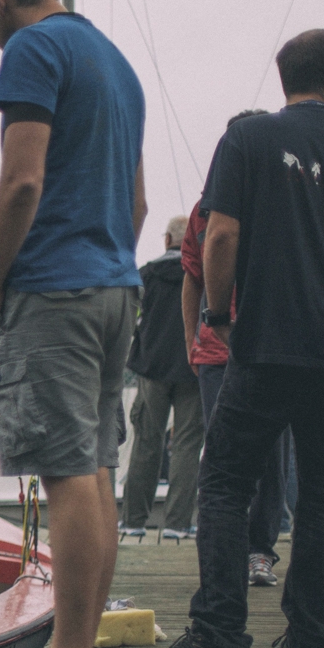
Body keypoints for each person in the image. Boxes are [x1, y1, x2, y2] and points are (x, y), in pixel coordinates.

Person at [141, 29, 324, 648]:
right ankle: (312, 637)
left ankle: (220, 632)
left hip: (264, 345)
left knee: (227, 481)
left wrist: (216, 314)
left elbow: (222, 234)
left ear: (286, 78)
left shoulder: (248, 141)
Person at [0, 0, 146, 648]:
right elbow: (136, 204)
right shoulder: (114, 60)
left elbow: (22, 178)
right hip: (113, 285)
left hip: (52, 288)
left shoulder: (35, 48)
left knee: (66, 470)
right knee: (94, 466)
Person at [181, 109, 295, 588]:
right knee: (222, 455)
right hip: (214, 354)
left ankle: (260, 550)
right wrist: (192, 337)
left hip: (271, 349)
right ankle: (224, 553)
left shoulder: (284, 199)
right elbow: (191, 278)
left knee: (272, 456)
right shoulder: (203, 212)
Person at [120, 214, 203, 540]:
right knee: (187, 445)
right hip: (193, 368)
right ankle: (178, 524)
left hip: (152, 369)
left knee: (146, 442)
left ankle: (133, 521)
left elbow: (131, 320)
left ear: (168, 239)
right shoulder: (201, 274)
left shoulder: (147, 275)